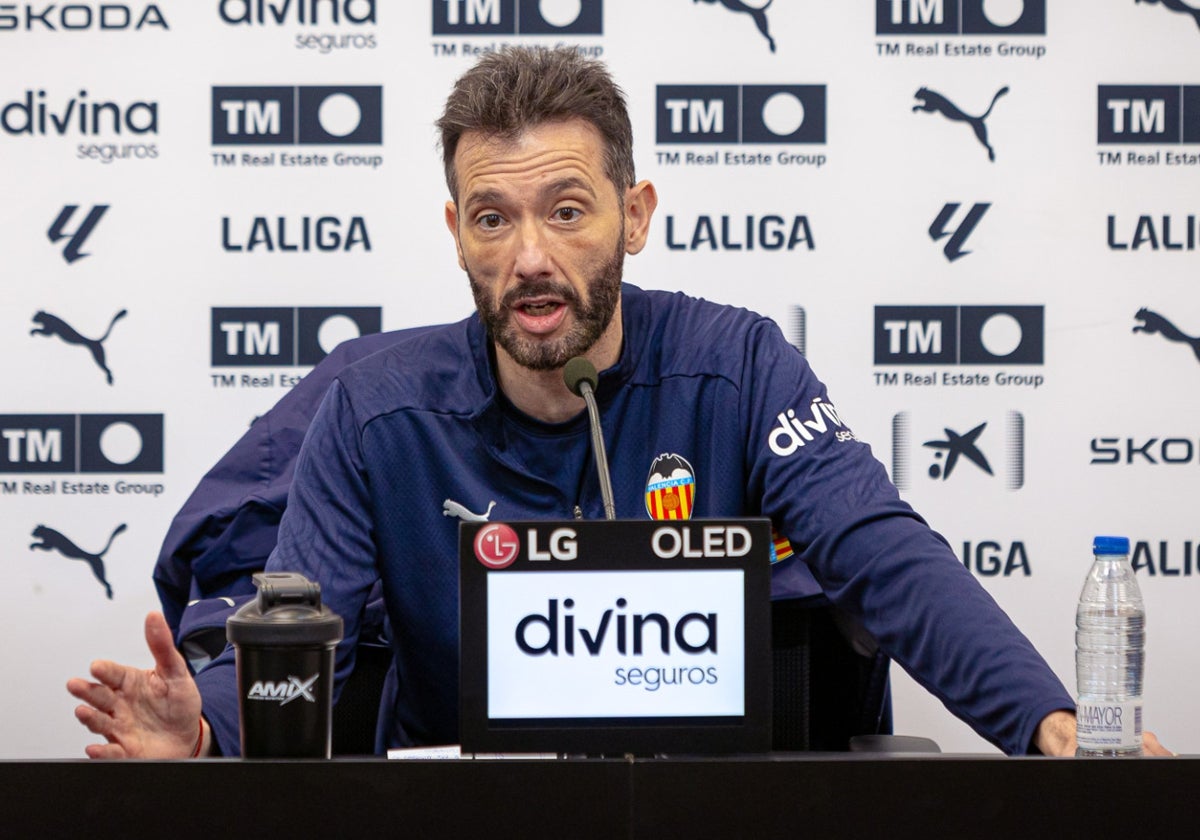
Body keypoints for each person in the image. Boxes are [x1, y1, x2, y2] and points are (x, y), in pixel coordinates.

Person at [67, 47, 1166, 758]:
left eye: (568, 210)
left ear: (635, 216)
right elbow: (314, 649)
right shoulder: (371, 409)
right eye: (492, 220)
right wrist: (207, 729)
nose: (531, 257)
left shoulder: (739, 367)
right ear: (455, 234)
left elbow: (883, 556)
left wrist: (1048, 726)